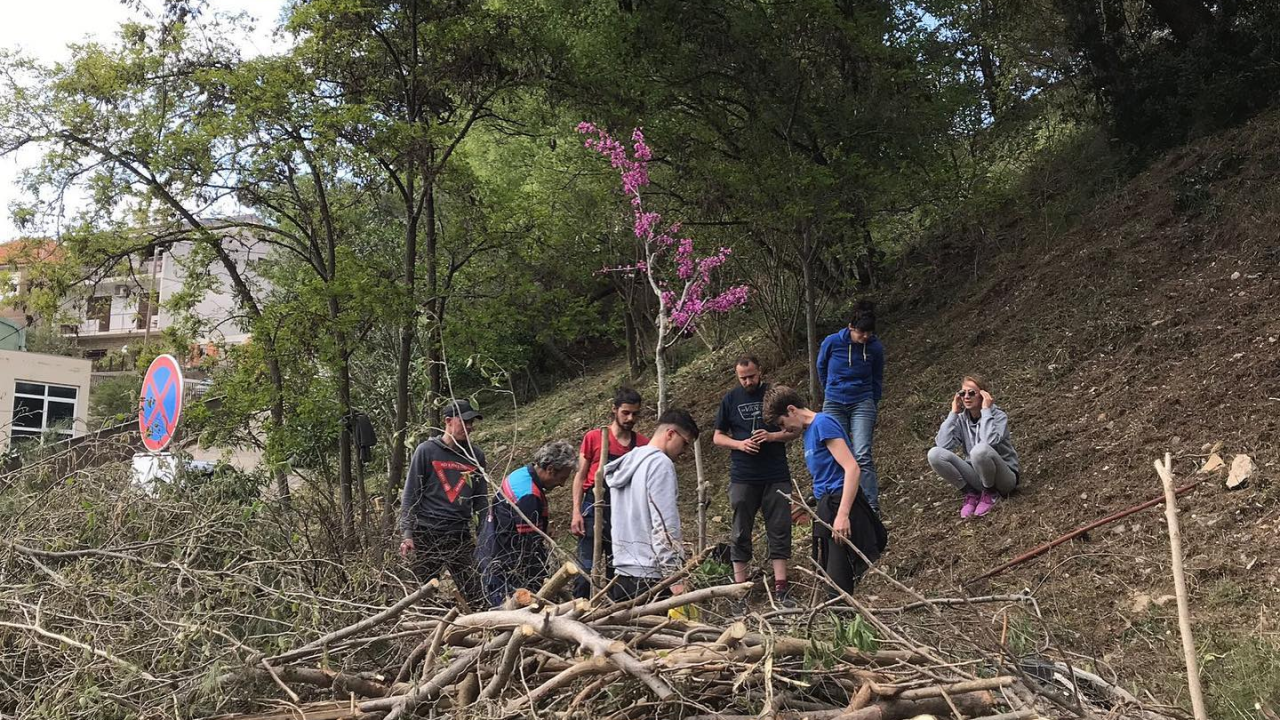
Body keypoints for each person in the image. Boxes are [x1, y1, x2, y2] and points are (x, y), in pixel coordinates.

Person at [763, 385, 886, 596]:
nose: (784, 430)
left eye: (783, 424)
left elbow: (852, 468)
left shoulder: (823, 424)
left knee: (838, 584)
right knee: (830, 577)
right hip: (826, 507)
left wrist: (843, 515)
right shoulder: (808, 432)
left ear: (792, 409)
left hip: (841, 503)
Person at [712, 355, 799, 607]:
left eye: (751, 376)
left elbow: (795, 429)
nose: (748, 382)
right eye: (743, 378)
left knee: (780, 527)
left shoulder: (774, 395)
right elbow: (717, 437)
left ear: (760, 371)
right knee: (740, 530)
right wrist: (739, 444)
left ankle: (781, 587)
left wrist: (771, 437)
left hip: (775, 473)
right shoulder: (730, 399)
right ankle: (740, 589)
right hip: (743, 475)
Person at [399, 399, 488, 609]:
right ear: (448, 421)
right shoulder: (426, 451)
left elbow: (481, 500)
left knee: (476, 590)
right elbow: (411, 494)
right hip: (427, 532)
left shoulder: (475, 456)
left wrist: (484, 535)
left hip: (459, 533)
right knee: (424, 595)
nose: (469, 427)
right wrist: (407, 534)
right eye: (464, 422)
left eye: (471, 422)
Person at [604, 408, 699, 602]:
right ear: (670, 434)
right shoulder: (660, 464)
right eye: (685, 443)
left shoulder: (628, 463)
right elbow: (664, 523)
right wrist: (674, 574)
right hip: (650, 575)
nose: (684, 451)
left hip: (622, 573)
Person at [568, 387, 648, 599]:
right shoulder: (594, 438)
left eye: (635, 414)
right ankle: (579, 609)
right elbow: (580, 476)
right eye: (625, 413)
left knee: (618, 569)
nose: (630, 418)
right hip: (592, 507)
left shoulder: (642, 445)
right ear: (614, 410)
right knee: (585, 569)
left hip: (624, 515)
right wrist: (576, 512)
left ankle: (613, 612)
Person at [477, 440, 578, 607]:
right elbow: (528, 549)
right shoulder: (529, 496)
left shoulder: (521, 474)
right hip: (505, 567)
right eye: (562, 478)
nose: (562, 484)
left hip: (492, 551)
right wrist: (541, 578)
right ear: (550, 469)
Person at [816, 300, 885, 514]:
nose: (865, 336)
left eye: (869, 333)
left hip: (862, 402)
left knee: (862, 453)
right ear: (851, 328)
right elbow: (821, 367)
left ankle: (871, 506)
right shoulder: (832, 342)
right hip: (834, 402)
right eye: (861, 332)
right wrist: (830, 388)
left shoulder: (875, 348)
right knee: (837, 453)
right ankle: (840, 501)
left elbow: (877, 376)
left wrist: (873, 400)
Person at [927, 375, 1021, 518]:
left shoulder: (998, 416)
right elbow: (943, 445)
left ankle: (990, 493)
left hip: (1004, 479)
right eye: (962, 393)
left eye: (971, 393)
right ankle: (971, 493)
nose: (966, 397)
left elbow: (988, 442)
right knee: (934, 454)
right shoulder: (961, 419)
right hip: (978, 477)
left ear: (983, 395)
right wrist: (953, 413)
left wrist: (986, 411)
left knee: (979, 450)